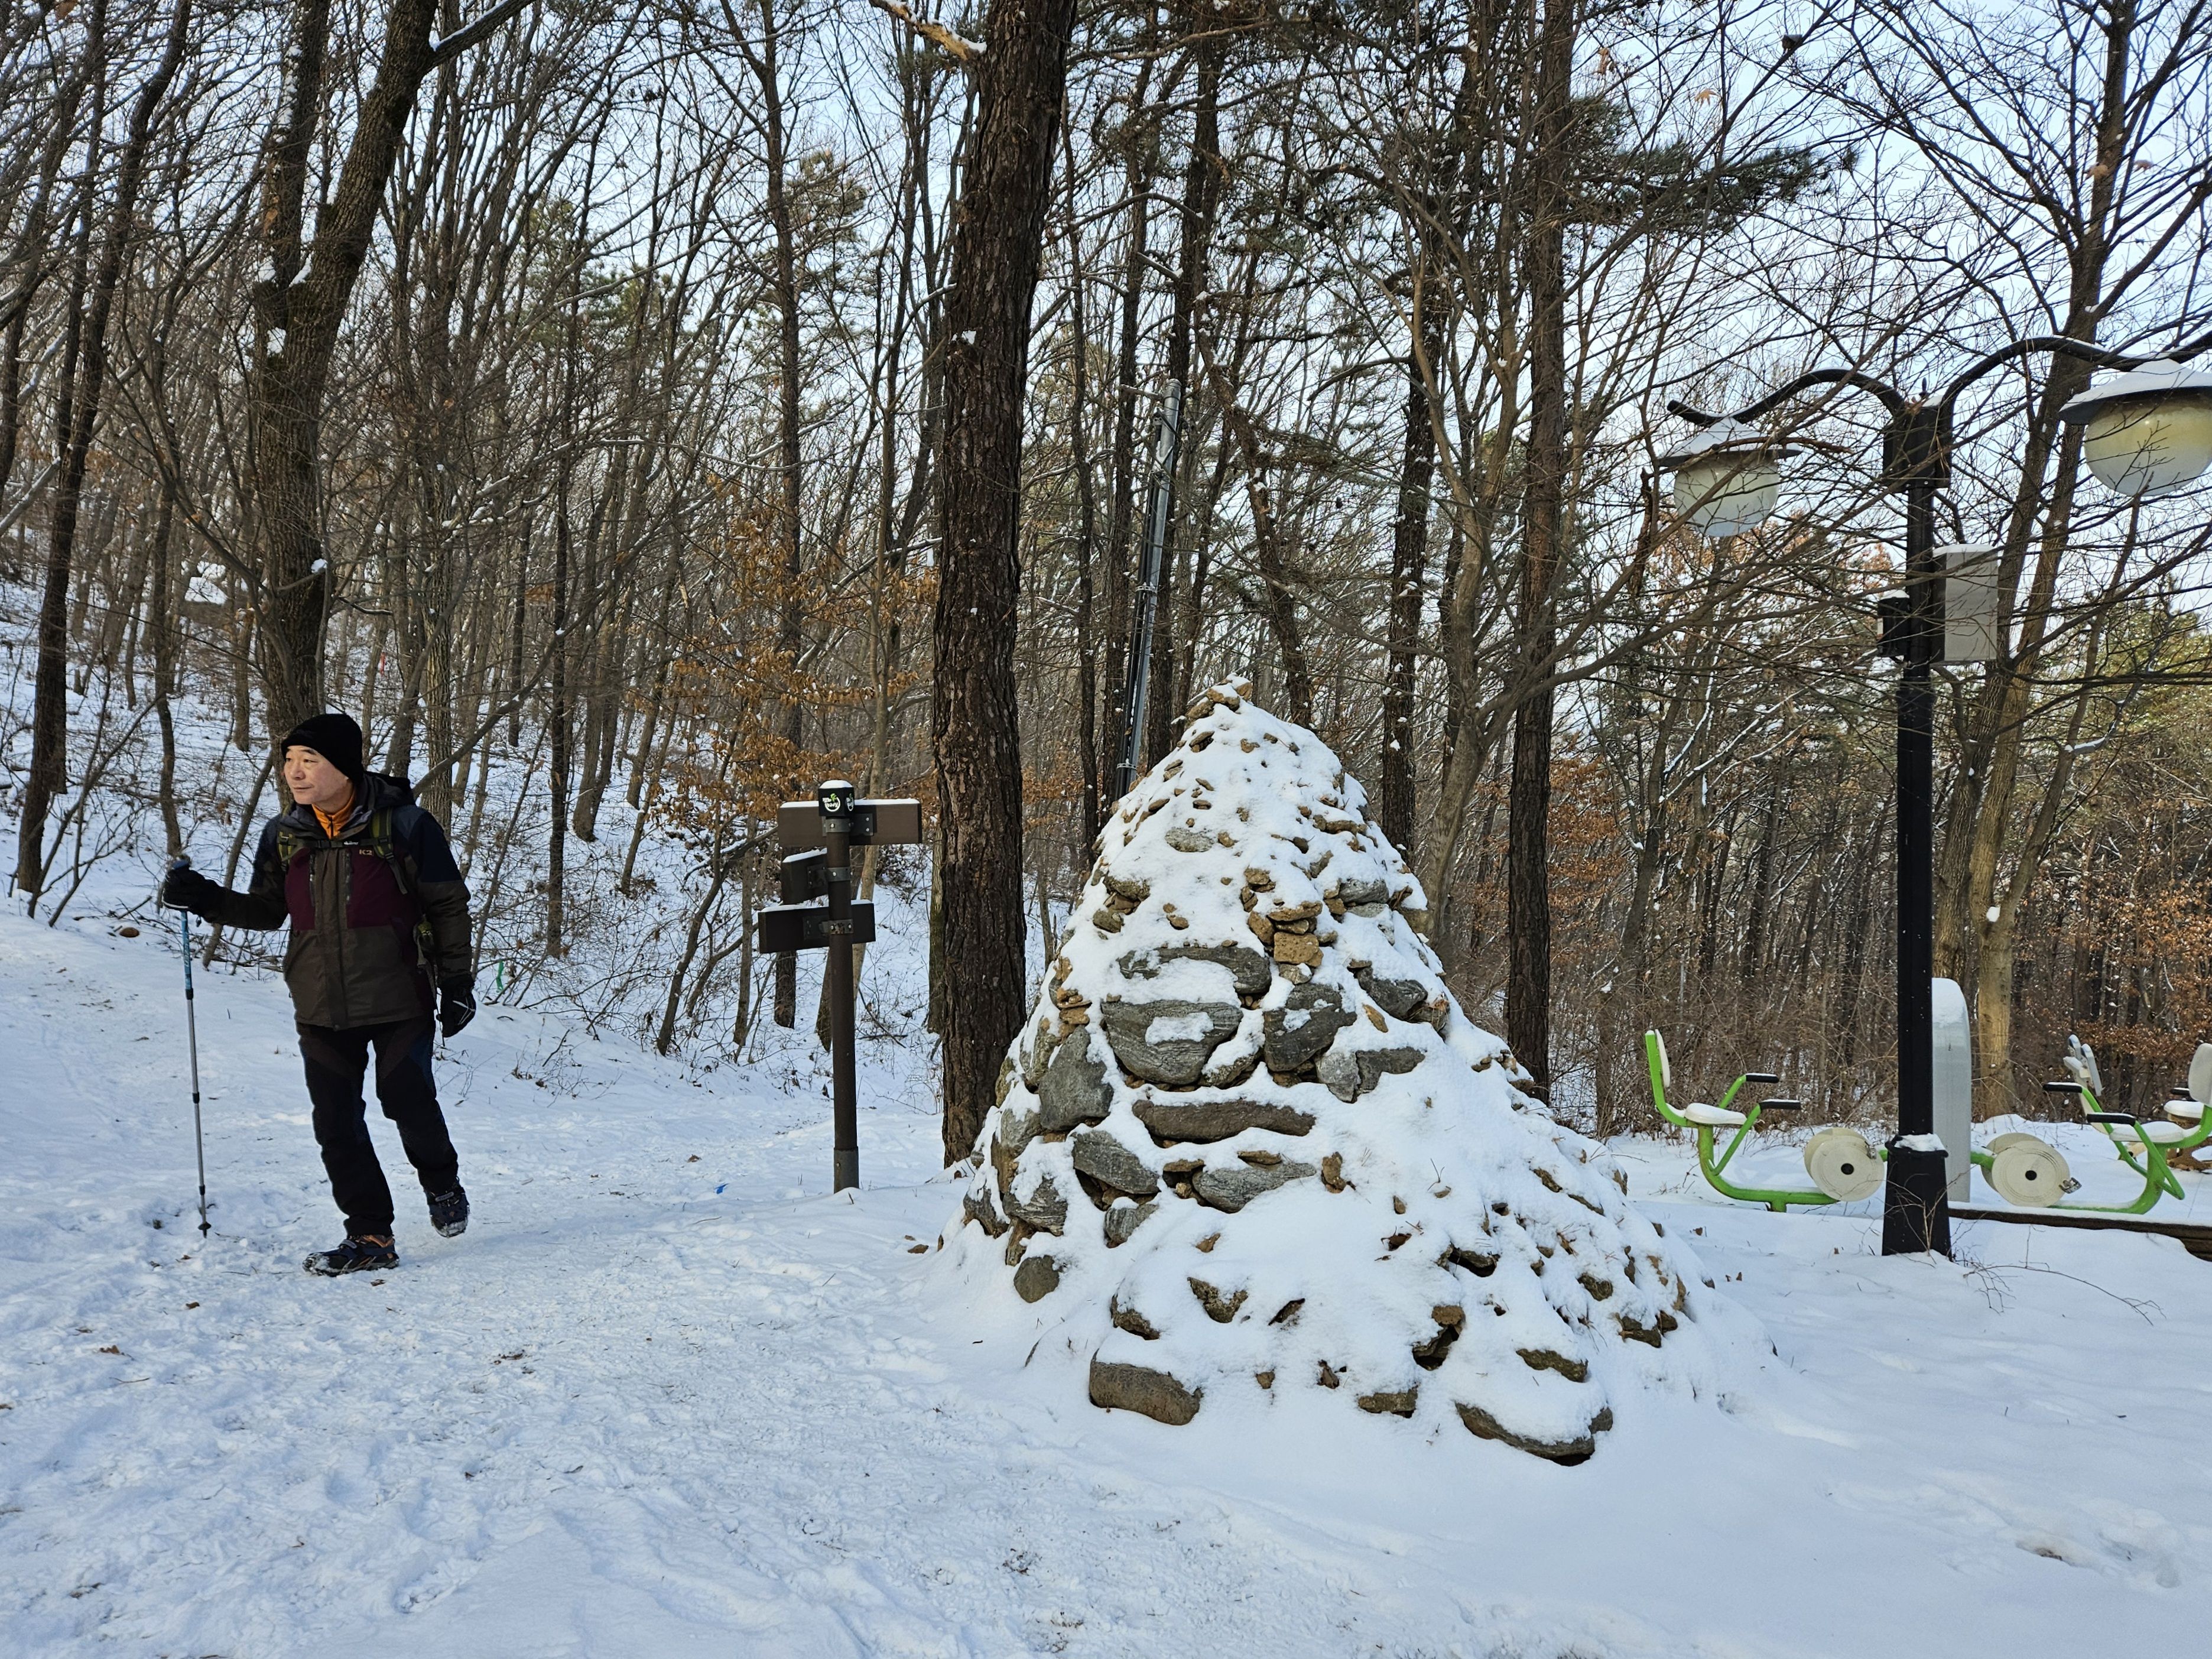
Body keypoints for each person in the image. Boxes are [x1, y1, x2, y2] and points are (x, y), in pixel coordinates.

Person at [163, 713, 478, 1275]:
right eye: (289, 760)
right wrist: (204, 897)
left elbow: (448, 904)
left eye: (310, 760)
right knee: (334, 1121)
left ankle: (442, 1182)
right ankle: (371, 1235)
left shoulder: (405, 825)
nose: (295, 772)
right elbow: (267, 910)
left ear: (345, 767)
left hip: (398, 995)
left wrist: (456, 982)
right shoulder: (284, 835)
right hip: (319, 1002)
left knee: (405, 1099)